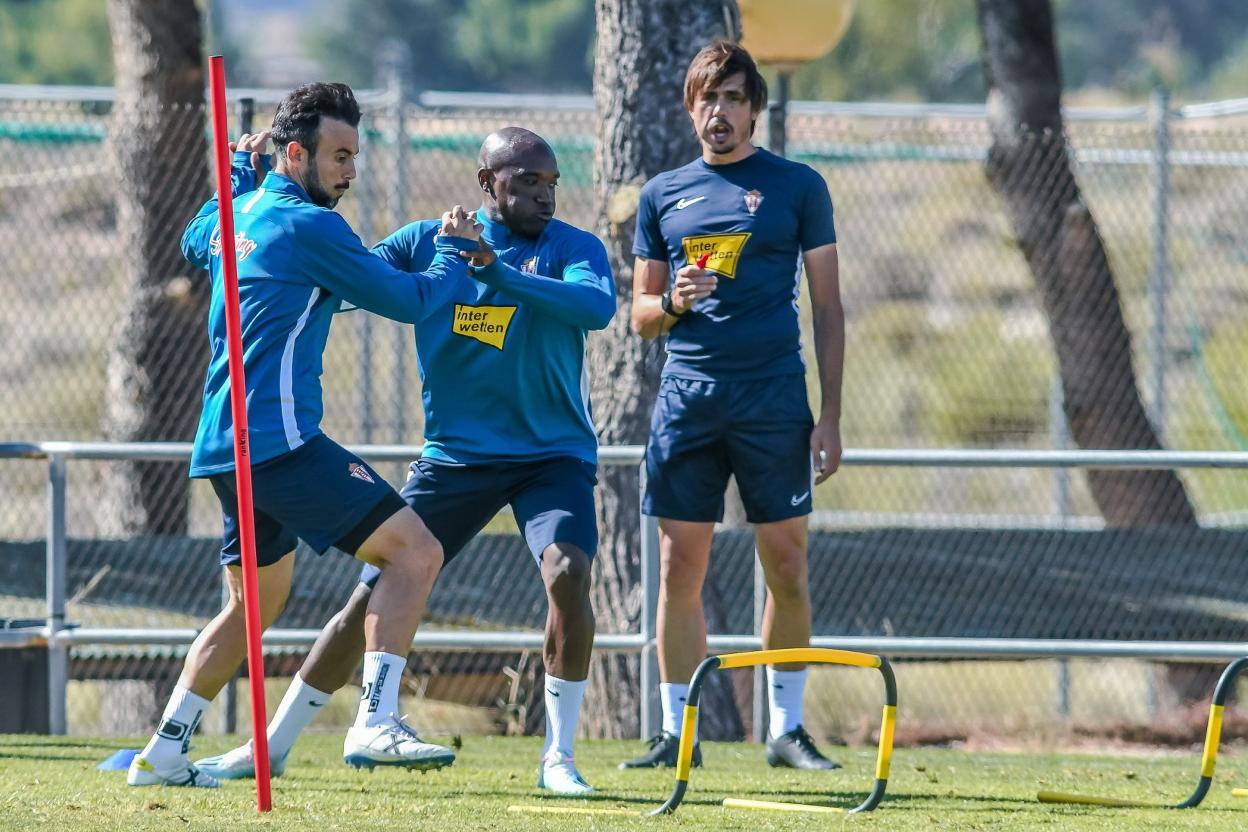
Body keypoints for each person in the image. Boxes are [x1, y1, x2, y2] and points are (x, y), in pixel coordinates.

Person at [193, 127, 615, 795]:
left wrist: (496, 273)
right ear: (486, 184)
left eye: (551, 182)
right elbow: (357, 279)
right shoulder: (428, 240)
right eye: (527, 181)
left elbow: (596, 308)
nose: (544, 195)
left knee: (568, 570)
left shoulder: (571, 247)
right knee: (371, 594)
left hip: (549, 457)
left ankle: (559, 757)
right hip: (456, 459)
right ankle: (272, 745)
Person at [127, 82, 483, 788]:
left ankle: (163, 752)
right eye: (338, 156)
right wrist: (451, 251)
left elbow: (196, 236)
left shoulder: (242, 212)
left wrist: (237, 173)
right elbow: (408, 301)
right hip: (279, 442)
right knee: (415, 553)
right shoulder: (310, 228)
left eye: (355, 156)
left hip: (225, 447)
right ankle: (377, 722)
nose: (350, 171)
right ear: (296, 153)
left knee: (251, 607)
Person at [620, 40, 845, 771]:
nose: (721, 112)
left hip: (774, 397)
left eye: (735, 98)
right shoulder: (662, 195)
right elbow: (641, 315)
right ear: (691, 108)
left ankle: (785, 729)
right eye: (708, 98)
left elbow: (829, 308)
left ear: (755, 109)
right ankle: (675, 733)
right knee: (680, 566)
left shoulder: (798, 186)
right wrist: (673, 302)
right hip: (688, 399)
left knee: (786, 561)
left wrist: (832, 414)